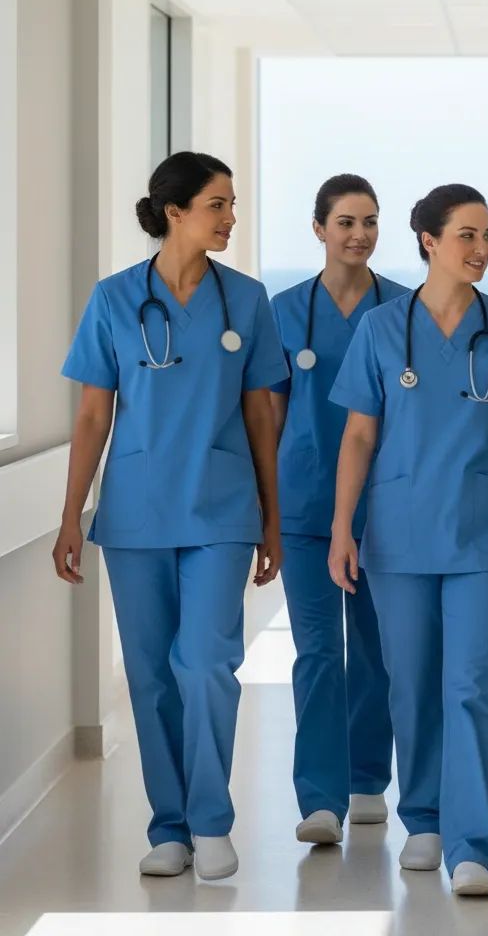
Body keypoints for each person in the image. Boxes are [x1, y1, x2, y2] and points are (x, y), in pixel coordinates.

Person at [52, 152, 288, 881]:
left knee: (208, 663)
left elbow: (261, 416)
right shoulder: (115, 299)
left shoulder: (245, 301)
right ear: (176, 210)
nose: (231, 217)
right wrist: (70, 515)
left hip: (221, 509)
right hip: (136, 512)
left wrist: (272, 519)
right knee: (152, 674)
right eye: (219, 204)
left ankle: (212, 819)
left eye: (233, 203)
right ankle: (171, 827)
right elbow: (94, 414)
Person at [326, 184, 488, 897]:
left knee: (474, 691)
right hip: (398, 535)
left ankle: (471, 845)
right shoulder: (380, 329)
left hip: (486, 538)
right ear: (427, 240)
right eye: (467, 235)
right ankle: (421, 818)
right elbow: (359, 433)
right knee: (414, 685)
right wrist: (342, 528)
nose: (481, 250)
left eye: (487, 236)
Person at [269, 174, 407, 845]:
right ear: (319, 228)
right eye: (346, 221)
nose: (359, 234)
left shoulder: (404, 310)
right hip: (304, 511)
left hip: (383, 512)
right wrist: (265, 512)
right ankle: (319, 798)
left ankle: (366, 778)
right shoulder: (284, 311)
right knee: (318, 653)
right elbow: (264, 417)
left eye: (370, 222)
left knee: (378, 654)